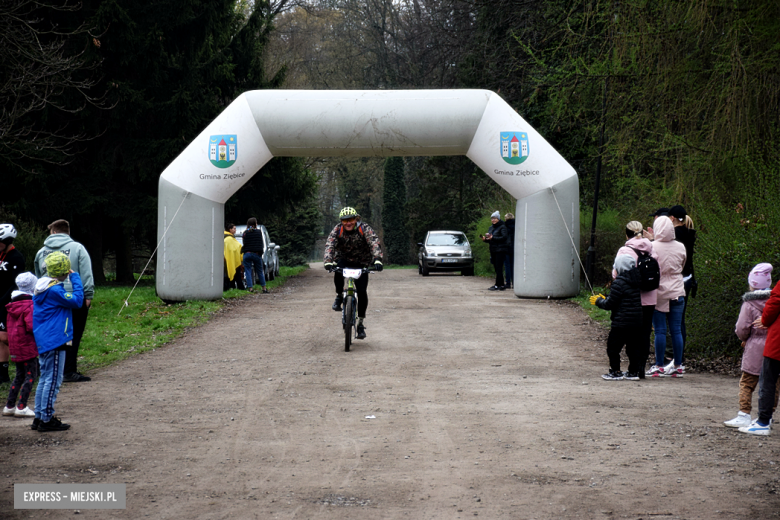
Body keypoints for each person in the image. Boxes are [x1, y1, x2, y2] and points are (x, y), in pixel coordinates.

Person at [34, 219, 94, 383]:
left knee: (51, 332)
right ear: (67, 231)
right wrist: (88, 294)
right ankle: (68, 370)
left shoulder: (41, 252)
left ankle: (47, 368)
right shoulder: (78, 248)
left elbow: (38, 275)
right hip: (74, 297)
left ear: (53, 232)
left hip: (48, 298)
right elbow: (86, 272)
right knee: (74, 334)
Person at [32, 252, 84, 432]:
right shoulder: (55, 290)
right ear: (64, 270)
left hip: (45, 339)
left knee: (45, 378)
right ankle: (46, 418)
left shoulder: (43, 287)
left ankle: (39, 416)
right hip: (55, 339)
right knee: (53, 380)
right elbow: (77, 301)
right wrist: (75, 277)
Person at [725, 263, 774, 428]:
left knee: (747, 382)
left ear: (752, 284)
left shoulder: (749, 304)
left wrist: (744, 338)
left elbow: (741, 327)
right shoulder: (775, 302)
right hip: (773, 346)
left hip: (754, 346)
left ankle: (744, 413)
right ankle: (768, 415)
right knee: (773, 383)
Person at [323, 207, 383, 340]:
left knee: (362, 291)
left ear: (356, 219)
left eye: (350, 220)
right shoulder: (337, 230)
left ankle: (360, 323)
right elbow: (330, 244)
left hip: (361, 262)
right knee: (336, 270)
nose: (348, 223)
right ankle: (339, 295)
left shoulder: (364, 229)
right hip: (343, 259)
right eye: (345, 221)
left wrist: (377, 259)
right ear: (341, 221)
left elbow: (374, 242)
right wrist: (328, 261)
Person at [612, 221, 657, 378]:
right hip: (650, 298)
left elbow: (616, 274)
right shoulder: (652, 249)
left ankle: (632, 367)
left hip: (632, 300)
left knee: (632, 336)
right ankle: (641, 368)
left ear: (627, 234)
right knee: (645, 334)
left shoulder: (624, 251)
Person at [591, 254, 644, 380]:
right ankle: (633, 372)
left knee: (613, 348)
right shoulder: (636, 281)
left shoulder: (618, 283)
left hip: (621, 323)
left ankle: (616, 371)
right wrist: (607, 298)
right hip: (636, 322)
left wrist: (599, 301)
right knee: (632, 349)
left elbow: (610, 304)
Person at [645, 216, 686, 378]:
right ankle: (678, 365)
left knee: (660, 330)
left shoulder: (651, 246)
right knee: (676, 330)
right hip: (677, 289)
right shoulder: (681, 246)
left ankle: (659, 365)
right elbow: (682, 265)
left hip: (659, 291)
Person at [740, 277, 780, 436]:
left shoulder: (749, 304)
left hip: (776, 342)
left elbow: (775, 301)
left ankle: (763, 420)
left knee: (767, 380)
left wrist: (765, 319)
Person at [2, 272, 38, 418]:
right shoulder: (29, 305)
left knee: (19, 375)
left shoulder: (12, 305)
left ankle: (9, 405)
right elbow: (31, 326)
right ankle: (22, 406)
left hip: (15, 346)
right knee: (31, 375)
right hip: (27, 346)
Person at [668, 205, 697, 371]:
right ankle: (680, 356)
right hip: (689, 278)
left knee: (673, 320)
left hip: (677, 279)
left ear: (672, 218)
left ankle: (673, 357)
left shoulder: (675, 235)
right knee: (681, 319)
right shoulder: (690, 233)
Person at [0, 223, 25, 384]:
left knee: (5, 337)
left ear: (8, 241)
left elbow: (17, 283)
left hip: (7, 303)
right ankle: (2, 373)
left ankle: (25, 363)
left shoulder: (16, 257)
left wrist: (3, 300)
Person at [481, 211, 510, 291]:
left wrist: (493, 238)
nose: (493, 220)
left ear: (498, 219)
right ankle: (501, 284)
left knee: (499, 267)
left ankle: (498, 284)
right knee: (496, 268)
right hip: (493, 249)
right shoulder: (491, 228)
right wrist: (485, 239)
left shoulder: (502, 227)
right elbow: (491, 239)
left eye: (495, 218)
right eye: (492, 218)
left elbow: (504, 238)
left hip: (500, 250)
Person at [241, 218, 268, 294]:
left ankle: (250, 288)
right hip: (256, 254)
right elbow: (261, 243)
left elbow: (244, 243)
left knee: (248, 271)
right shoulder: (259, 232)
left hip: (247, 253)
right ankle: (264, 288)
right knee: (259, 271)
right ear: (255, 224)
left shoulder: (245, 233)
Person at [223, 223, 245, 291]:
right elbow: (237, 247)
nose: (235, 230)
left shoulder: (228, 238)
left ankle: (231, 288)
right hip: (232, 260)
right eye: (234, 228)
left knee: (232, 275)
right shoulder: (228, 239)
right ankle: (240, 288)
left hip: (229, 260)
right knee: (237, 276)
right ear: (230, 229)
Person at [503, 213, 515, 290]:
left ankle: (508, 283)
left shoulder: (504, 226)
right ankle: (514, 282)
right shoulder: (517, 225)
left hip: (507, 247)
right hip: (514, 248)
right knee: (513, 266)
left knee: (507, 265)